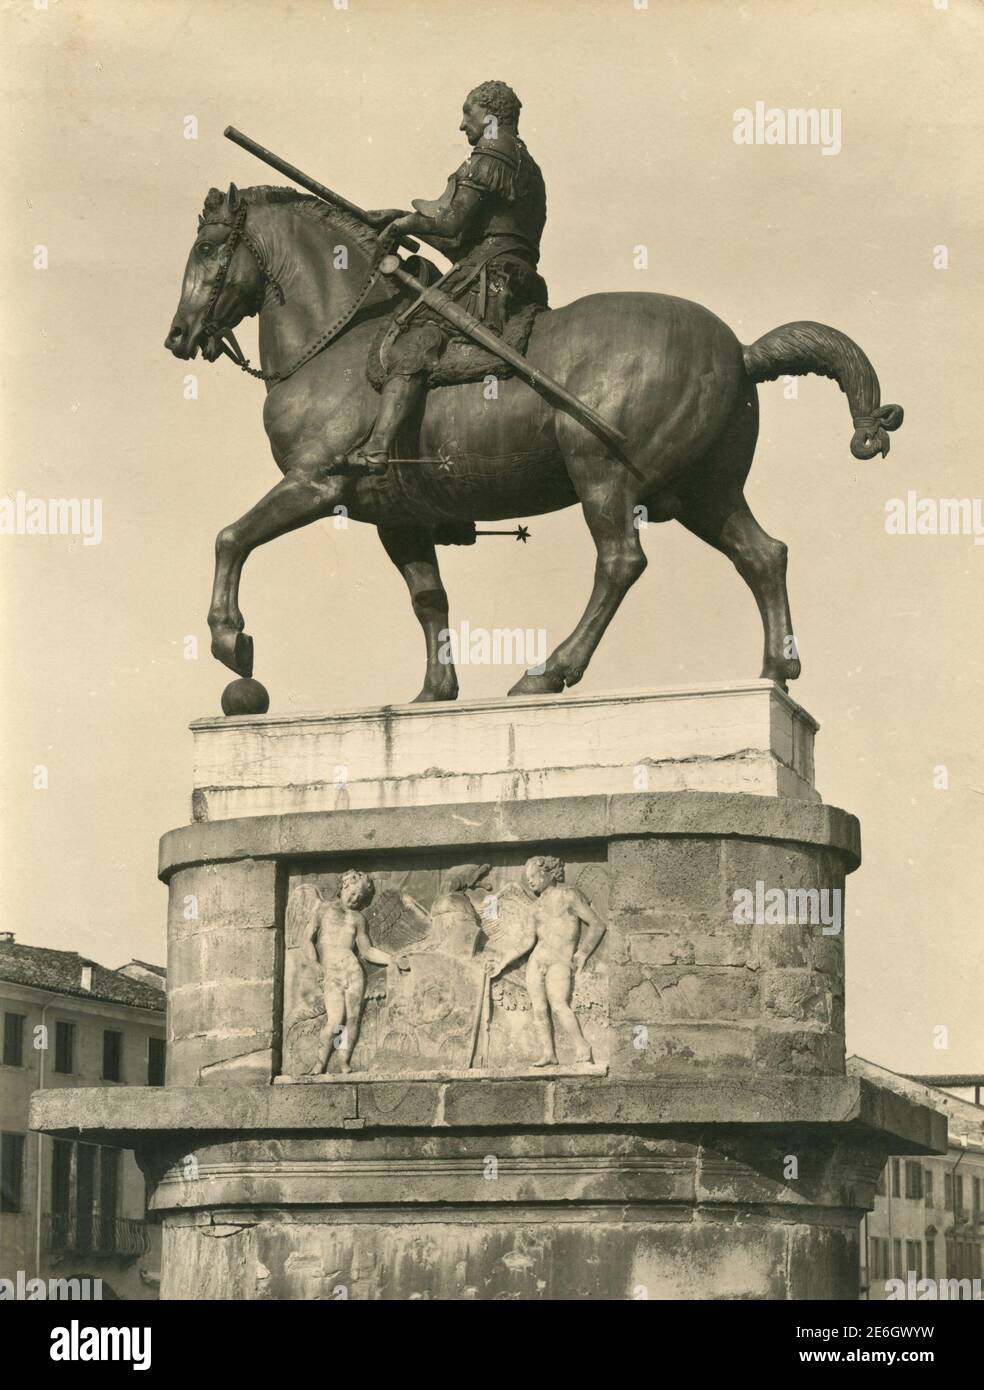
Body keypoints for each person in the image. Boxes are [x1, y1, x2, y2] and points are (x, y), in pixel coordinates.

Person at [346, 80, 547, 474]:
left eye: (467, 114)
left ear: (488, 115)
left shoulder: (489, 153)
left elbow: (452, 223)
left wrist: (404, 224)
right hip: (513, 271)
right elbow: (461, 238)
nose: (461, 126)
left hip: (488, 276)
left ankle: (377, 447)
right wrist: (395, 217)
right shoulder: (525, 163)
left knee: (415, 341)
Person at [485, 855, 606, 1067]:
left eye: (534, 876)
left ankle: (581, 1045)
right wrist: (501, 962)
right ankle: (548, 1052)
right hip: (537, 960)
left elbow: (597, 924)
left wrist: (583, 953)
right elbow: (526, 941)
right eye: (528, 877)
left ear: (549, 873)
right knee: (539, 1009)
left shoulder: (568, 895)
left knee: (559, 1005)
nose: (530, 881)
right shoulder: (535, 907)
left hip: (560, 959)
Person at [312, 869, 409, 1072]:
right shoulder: (324, 910)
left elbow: (367, 951)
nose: (355, 899)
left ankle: (343, 1060)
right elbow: (306, 940)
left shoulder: (357, 919)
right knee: (336, 1019)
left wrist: (392, 960)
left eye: (360, 897)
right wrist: (315, 965)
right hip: (332, 972)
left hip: (353, 971)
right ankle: (320, 1063)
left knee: (352, 1019)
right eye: (353, 893)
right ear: (344, 886)